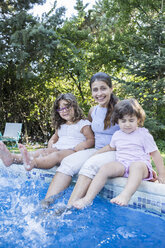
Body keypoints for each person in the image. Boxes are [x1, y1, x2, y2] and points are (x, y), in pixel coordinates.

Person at [43, 72, 120, 207]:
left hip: (116, 152)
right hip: (97, 150)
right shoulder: (93, 111)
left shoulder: (121, 108)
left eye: (103, 88)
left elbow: (134, 134)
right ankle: (46, 203)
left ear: (111, 88)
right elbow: (90, 134)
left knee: (89, 165)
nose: (99, 93)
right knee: (67, 163)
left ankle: (69, 208)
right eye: (95, 89)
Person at [73, 99, 165, 209]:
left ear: (138, 120)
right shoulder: (117, 134)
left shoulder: (143, 134)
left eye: (131, 120)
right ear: (117, 121)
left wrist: (162, 175)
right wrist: (96, 154)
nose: (127, 124)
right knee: (105, 168)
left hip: (141, 167)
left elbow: (155, 154)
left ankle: (125, 196)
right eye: (123, 121)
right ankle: (87, 199)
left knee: (136, 165)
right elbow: (110, 147)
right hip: (123, 165)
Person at [0, 93, 94, 171]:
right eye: (60, 109)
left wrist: (83, 145)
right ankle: (13, 158)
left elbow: (91, 140)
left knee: (55, 155)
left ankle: (33, 162)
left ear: (74, 106)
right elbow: (55, 136)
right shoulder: (62, 125)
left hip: (72, 151)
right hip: (58, 148)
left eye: (67, 107)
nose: (64, 111)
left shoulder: (83, 124)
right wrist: (50, 142)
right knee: (43, 151)